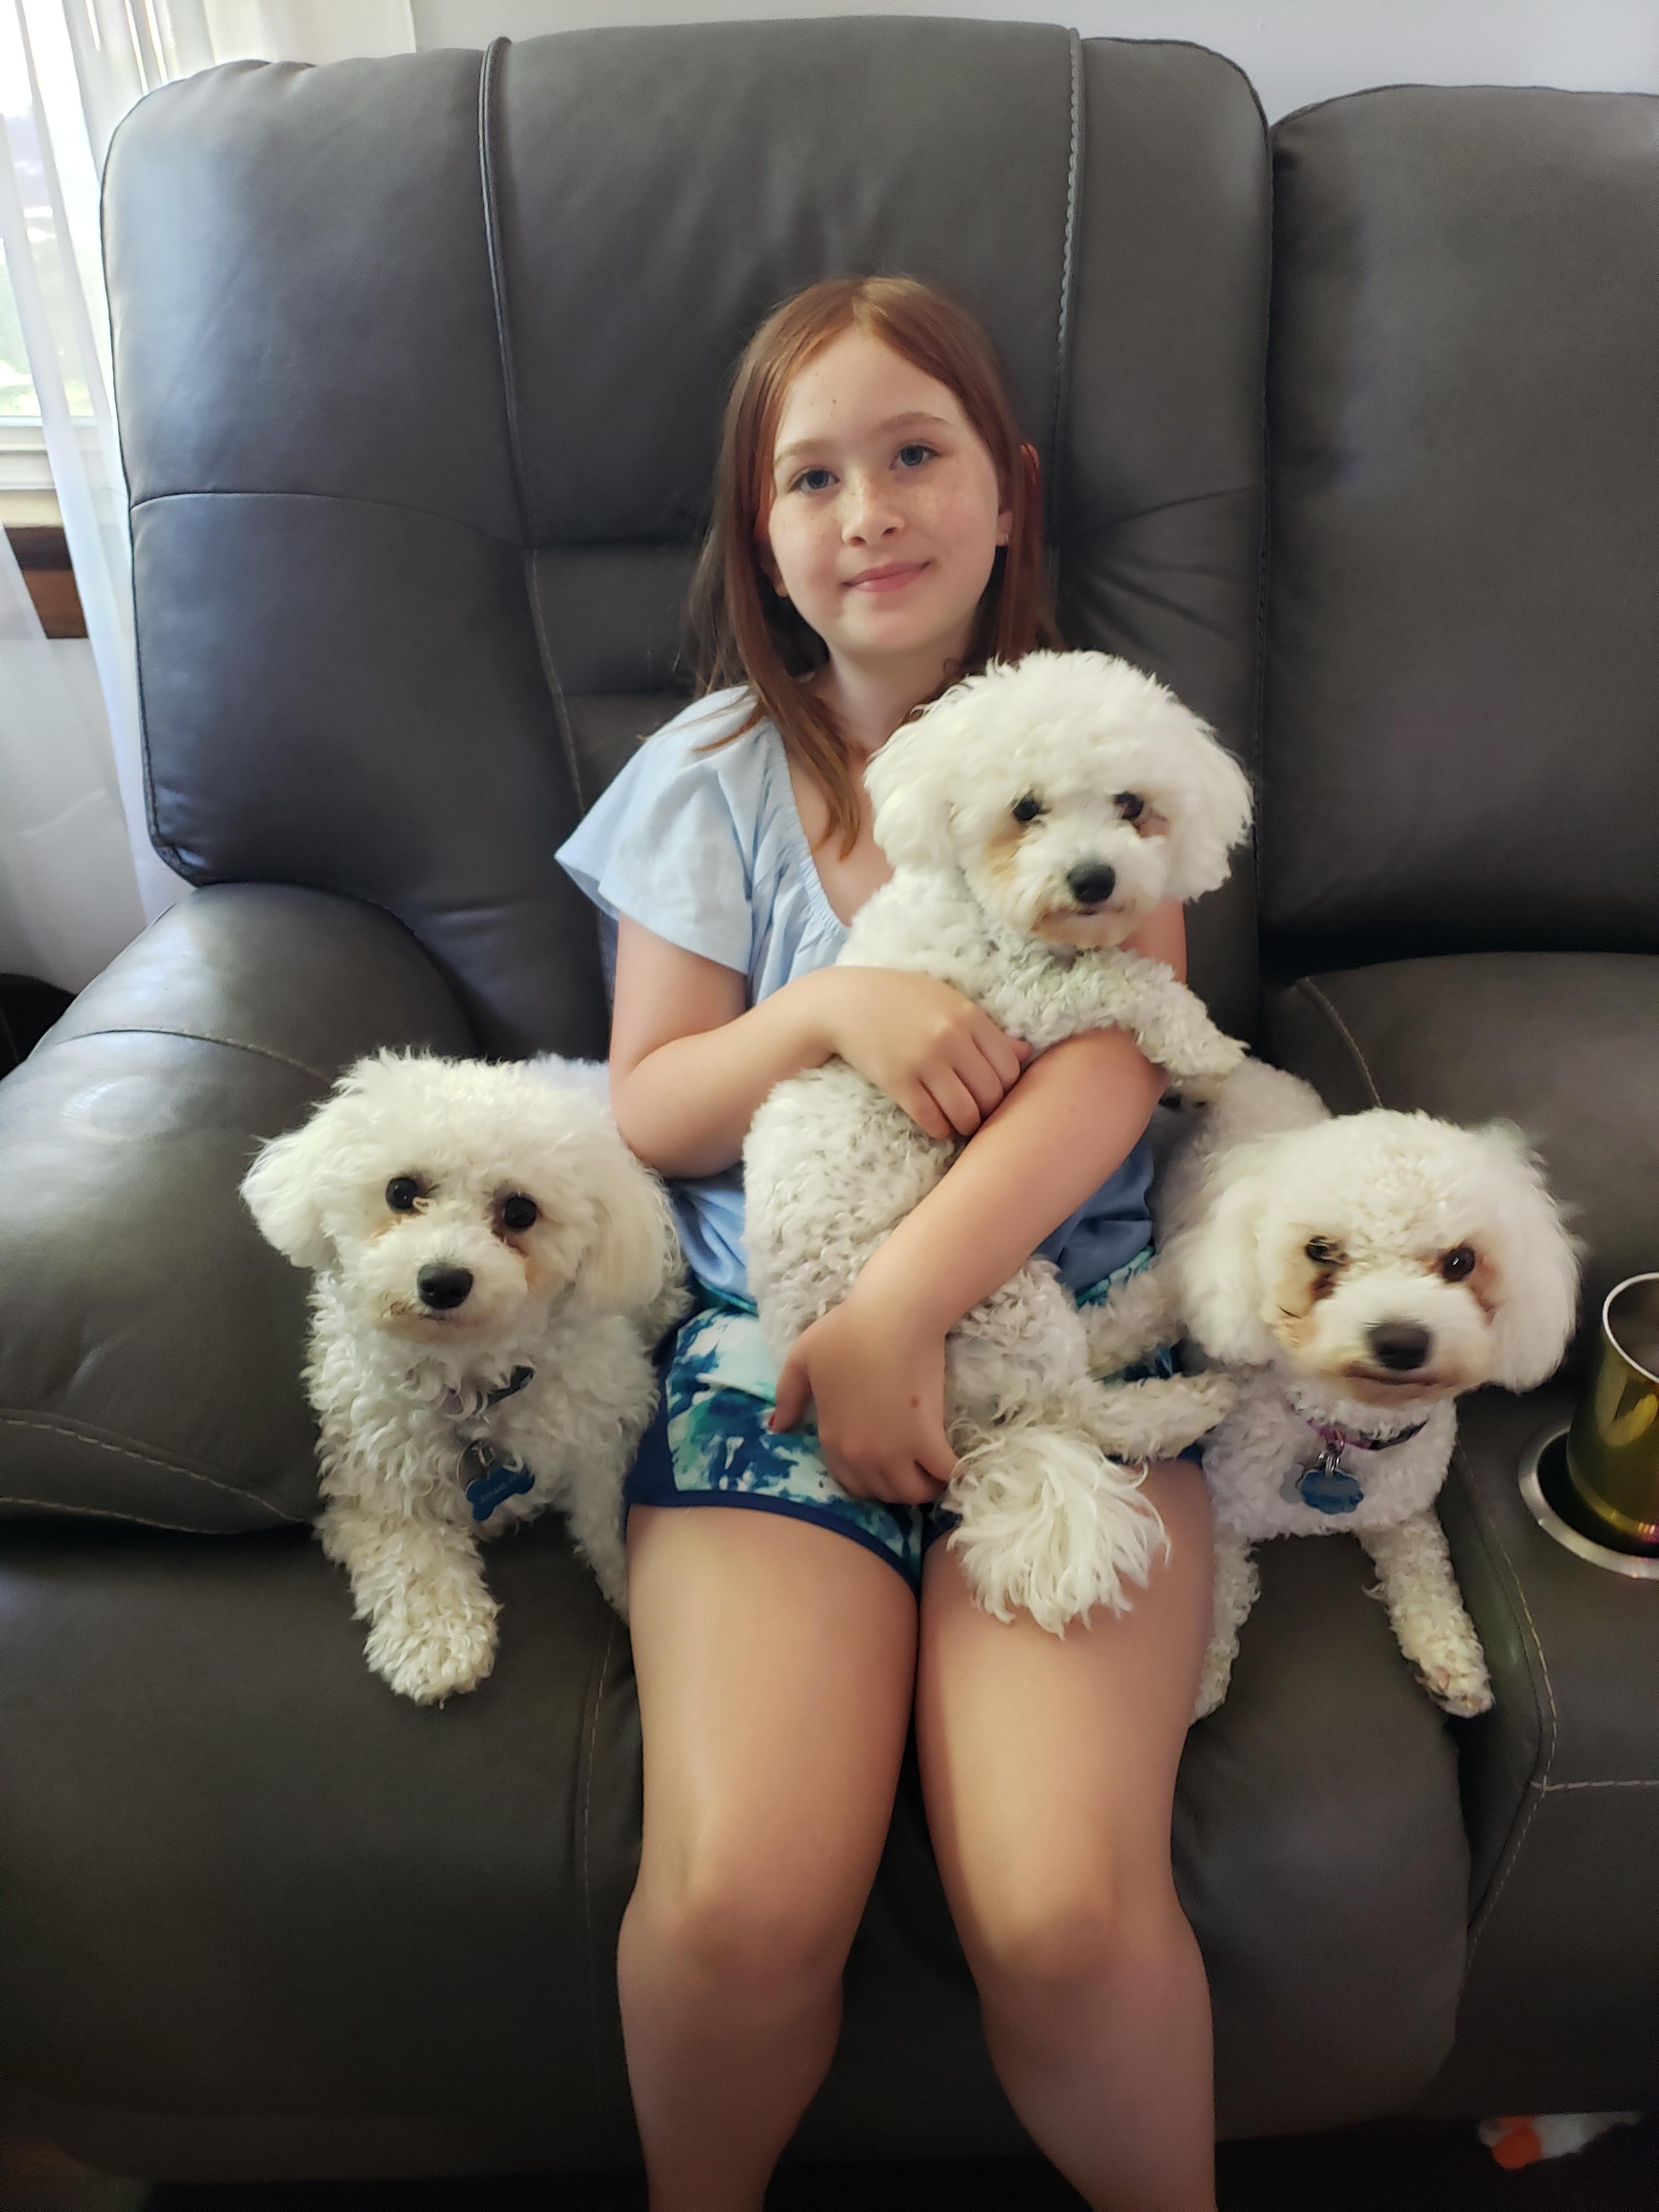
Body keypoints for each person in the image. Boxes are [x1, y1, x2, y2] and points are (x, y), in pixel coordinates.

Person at [556, 274, 1218, 2212]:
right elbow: (655, 1105)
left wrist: (908, 1311)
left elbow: (1118, 1069)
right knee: (740, 1908)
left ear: (1008, 492)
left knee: (1063, 1914)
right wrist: (835, 1008)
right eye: (812, 478)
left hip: (1070, 1340)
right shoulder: (708, 777)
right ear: (760, 536)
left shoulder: (1098, 749)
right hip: (767, 1341)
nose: (870, 513)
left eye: (916, 454)